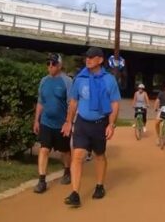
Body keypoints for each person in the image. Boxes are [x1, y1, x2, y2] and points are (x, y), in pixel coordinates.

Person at [61, 47, 121, 208]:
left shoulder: (109, 80)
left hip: (100, 124)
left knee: (99, 155)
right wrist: (69, 121)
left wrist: (111, 124)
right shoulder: (80, 79)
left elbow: (115, 103)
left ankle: (100, 185)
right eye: (86, 57)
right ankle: (75, 193)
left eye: (91, 57)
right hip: (82, 123)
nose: (87, 60)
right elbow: (73, 102)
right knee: (78, 156)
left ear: (100, 60)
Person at [33, 54, 73, 193]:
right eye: (48, 63)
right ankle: (42, 180)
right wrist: (36, 121)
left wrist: (68, 122)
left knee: (64, 151)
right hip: (46, 122)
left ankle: (67, 171)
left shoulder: (67, 81)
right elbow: (40, 102)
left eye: (53, 63)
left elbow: (71, 104)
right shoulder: (44, 81)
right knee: (44, 149)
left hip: (61, 124)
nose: (50, 66)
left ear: (60, 65)